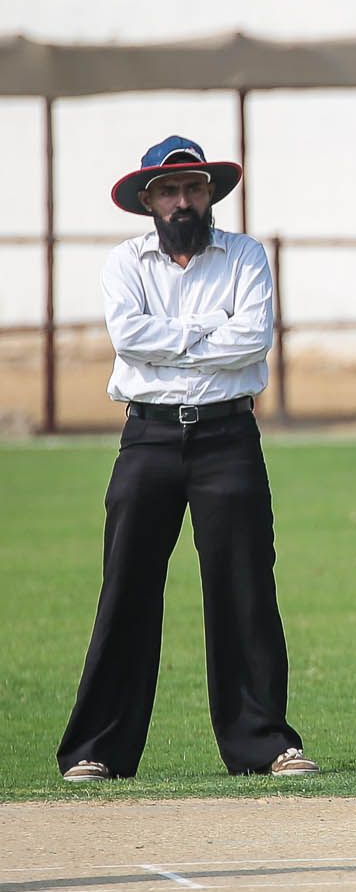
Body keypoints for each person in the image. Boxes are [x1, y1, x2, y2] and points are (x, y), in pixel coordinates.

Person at [57, 135, 317, 783]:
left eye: (193, 188)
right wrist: (207, 333)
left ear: (209, 194)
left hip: (228, 437)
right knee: (127, 587)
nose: (183, 201)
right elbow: (129, 337)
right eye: (169, 191)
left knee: (245, 588)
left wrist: (171, 343)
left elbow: (251, 338)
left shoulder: (244, 256)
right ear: (148, 201)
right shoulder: (125, 263)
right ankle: (97, 748)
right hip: (147, 438)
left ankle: (263, 742)